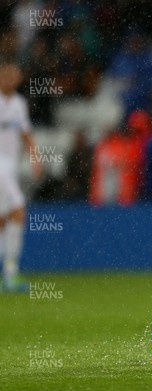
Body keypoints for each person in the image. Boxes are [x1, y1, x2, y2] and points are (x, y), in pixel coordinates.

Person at [0, 60, 41, 292]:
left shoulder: (18, 103)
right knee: (18, 210)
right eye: (7, 74)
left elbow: (26, 133)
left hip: (9, 168)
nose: (12, 78)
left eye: (15, 74)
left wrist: (35, 157)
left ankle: (7, 273)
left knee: (3, 221)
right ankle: (11, 273)